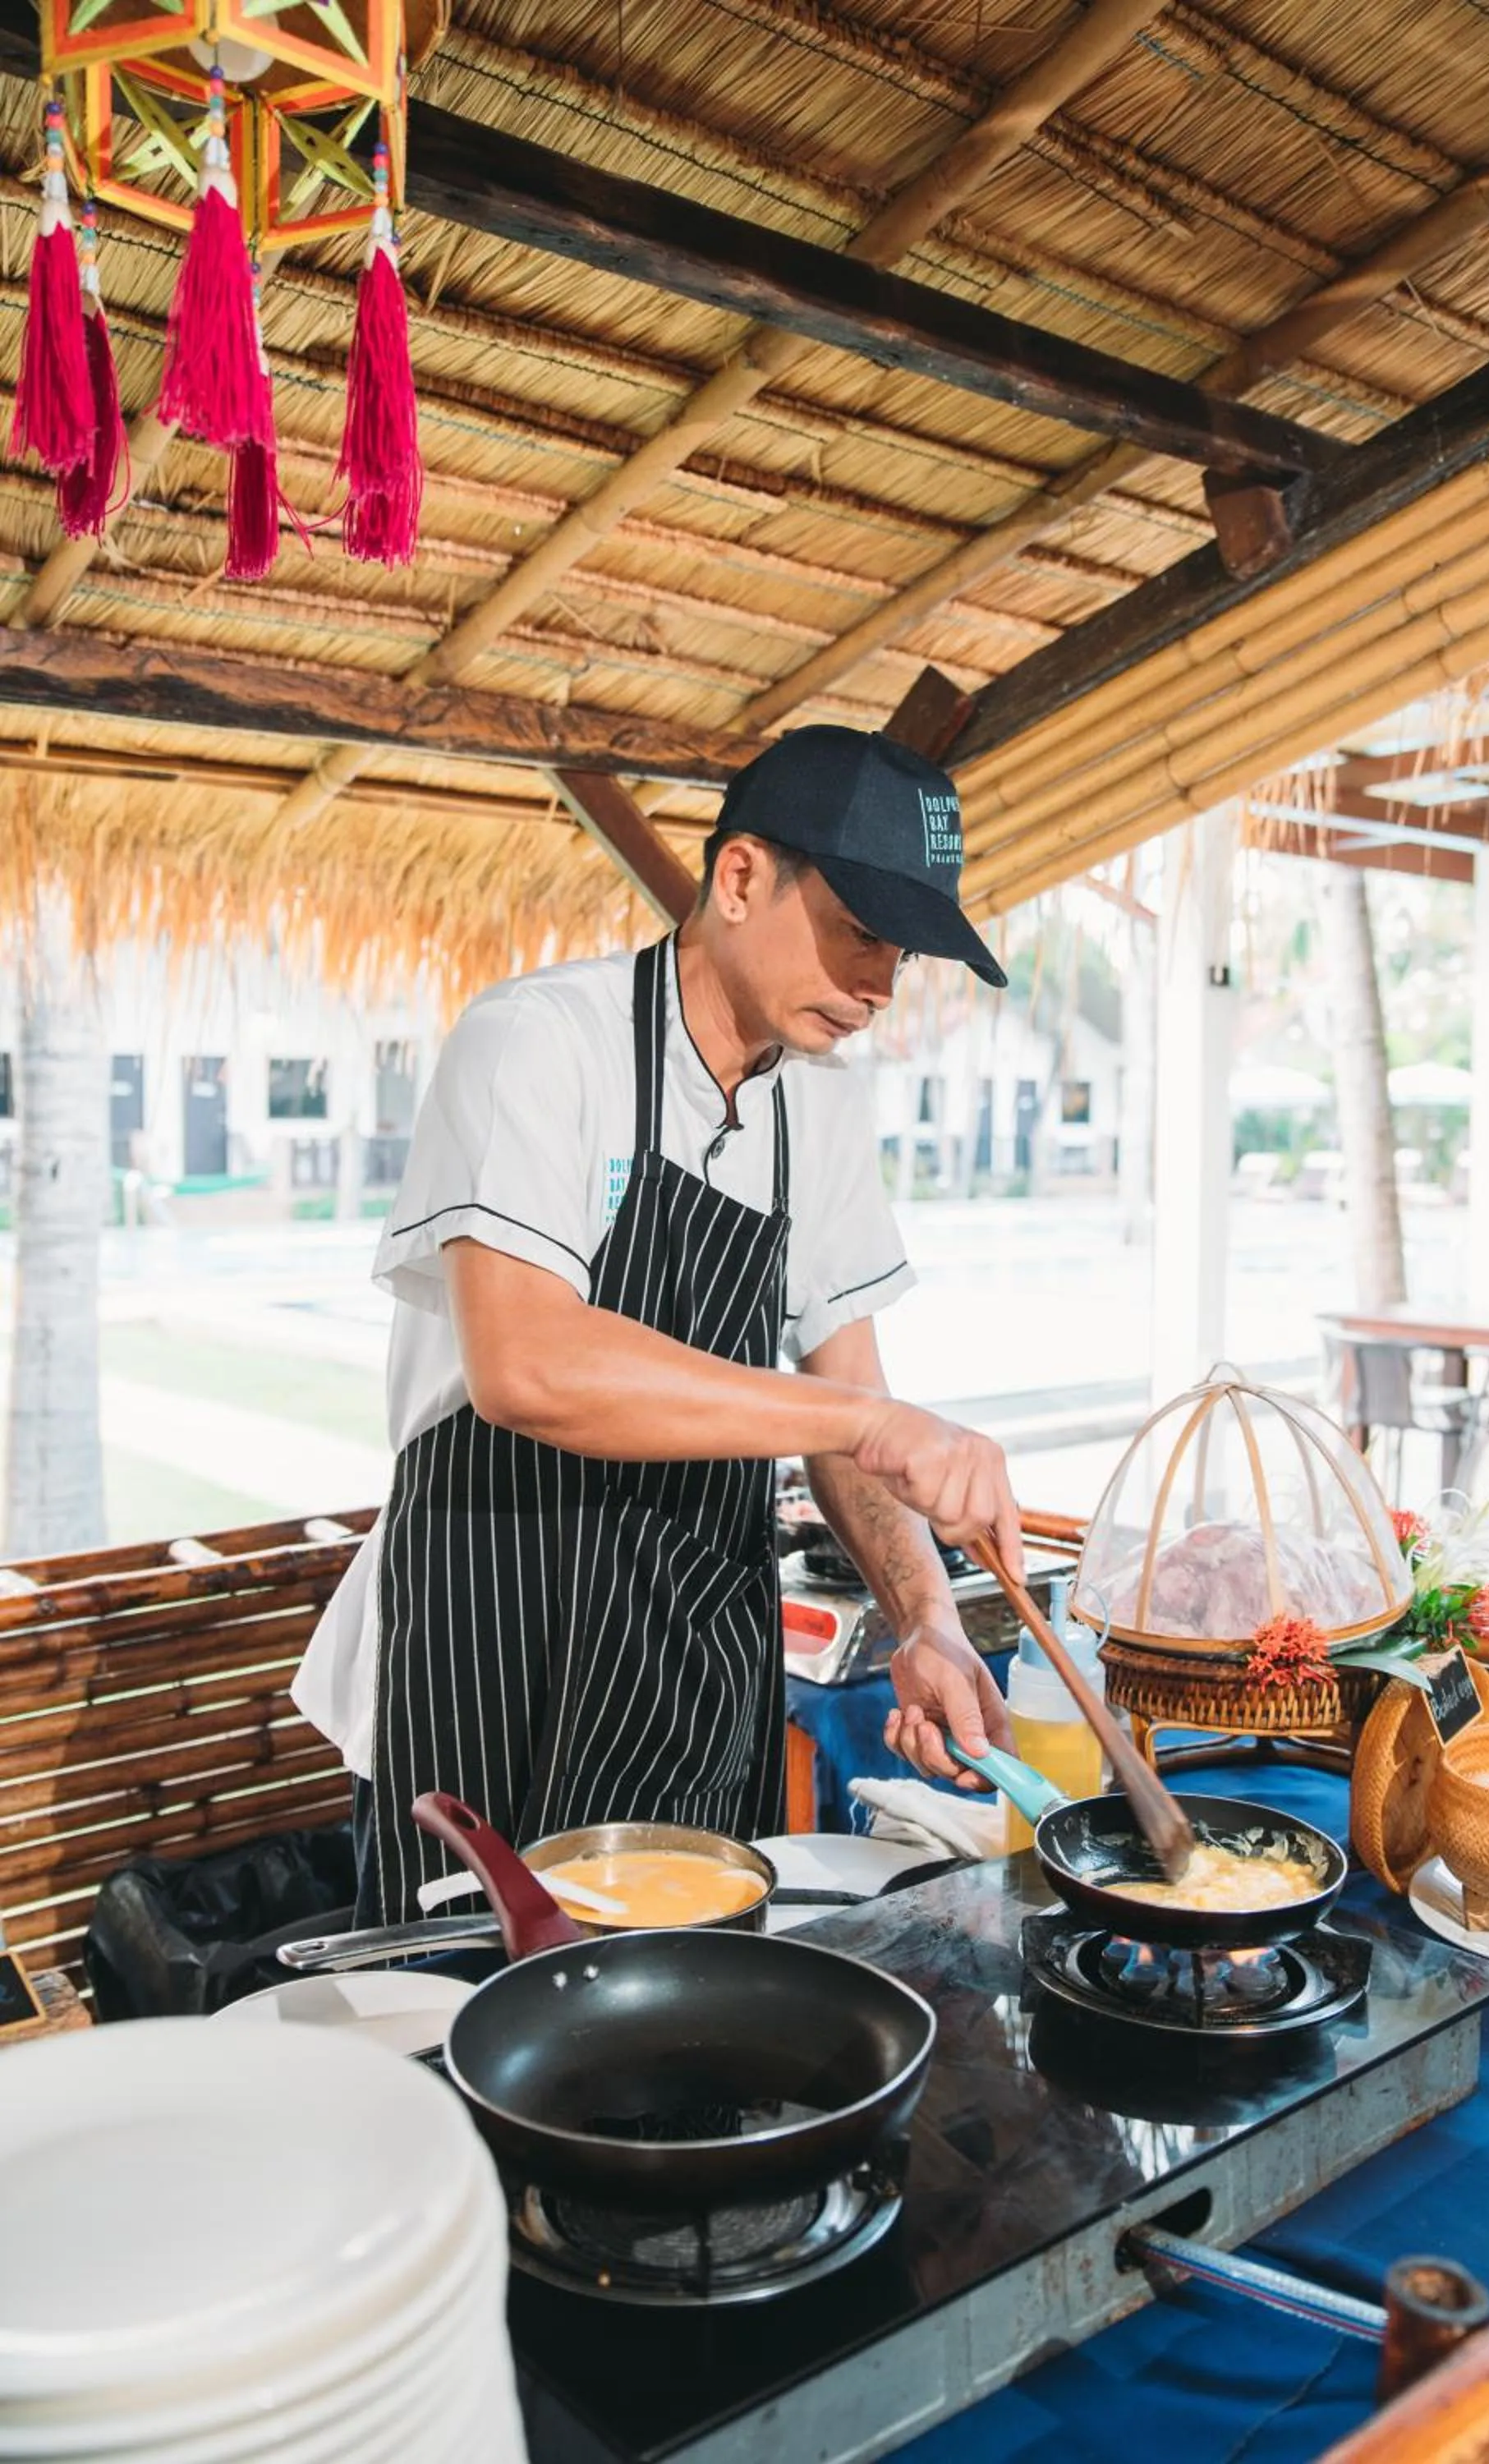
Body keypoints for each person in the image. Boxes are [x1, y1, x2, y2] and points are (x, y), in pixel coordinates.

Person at [293, 724, 1020, 1924]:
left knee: (685, 2041)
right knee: (474, 2023)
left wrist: (926, 1618)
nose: (883, 988)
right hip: (492, 1626)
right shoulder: (539, 1042)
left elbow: (849, 1410)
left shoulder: (821, 1113)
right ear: (740, 879)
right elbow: (528, 1365)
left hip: (689, 1648)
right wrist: (874, 1418)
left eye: (901, 952)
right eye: (859, 933)